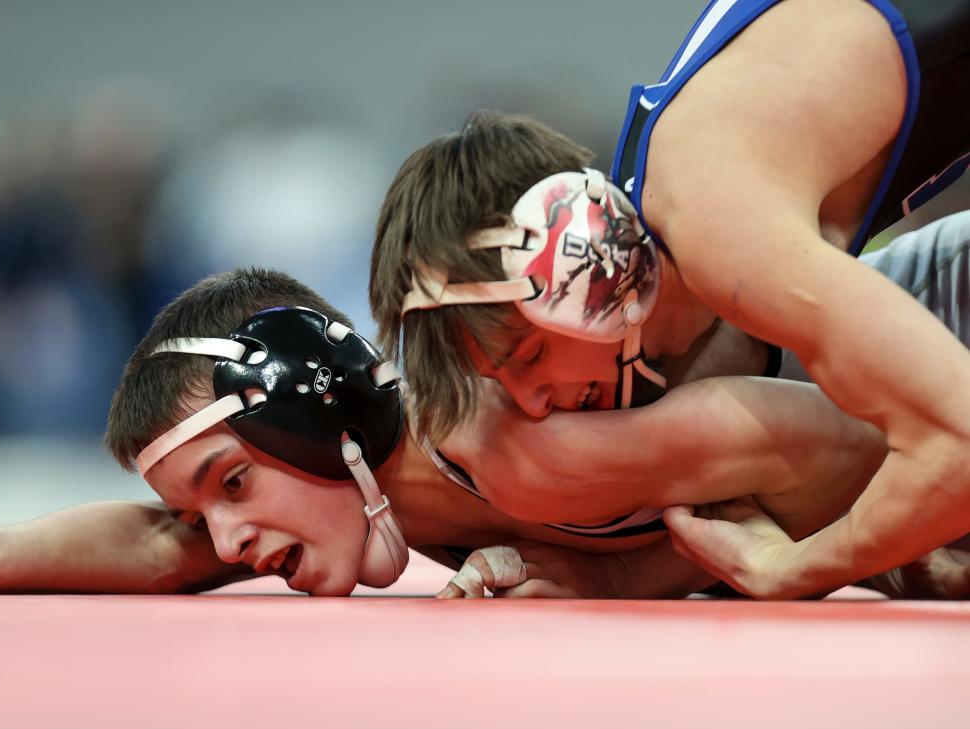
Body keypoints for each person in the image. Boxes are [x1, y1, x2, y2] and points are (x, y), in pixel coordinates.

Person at [0, 268, 959, 600]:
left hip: (920, 325)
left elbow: (827, 443)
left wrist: (795, 568)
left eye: (231, 482)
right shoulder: (362, 489)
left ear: (311, 409)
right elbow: (151, 545)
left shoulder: (512, 439)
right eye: (206, 512)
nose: (227, 544)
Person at [371, 0, 970, 598]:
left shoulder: (719, 227)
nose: (531, 405)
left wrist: (795, 567)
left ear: (584, 264)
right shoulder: (685, 234)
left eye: (526, 357)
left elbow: (960, 441)